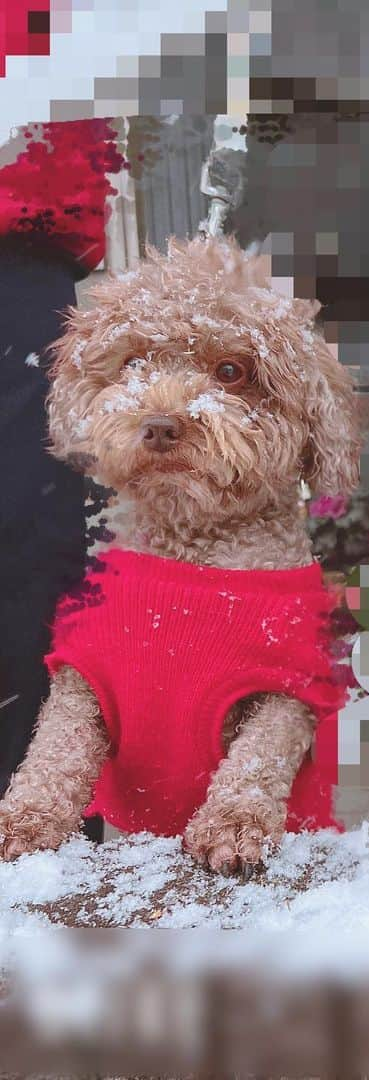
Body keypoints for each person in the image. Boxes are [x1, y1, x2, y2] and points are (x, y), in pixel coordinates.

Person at [0, 118, 125, 841]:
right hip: (28, 241)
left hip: (25, 236)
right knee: (28, 545)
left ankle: (38, 815)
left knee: (30, 549)